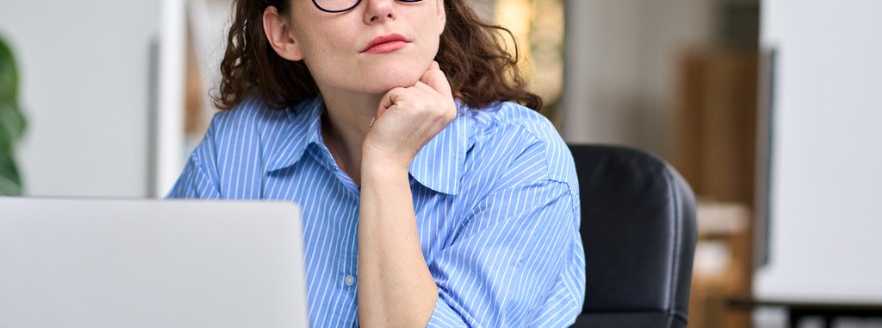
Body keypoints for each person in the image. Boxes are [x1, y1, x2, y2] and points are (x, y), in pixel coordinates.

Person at [168, 0, 584, 326]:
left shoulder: (523, 157)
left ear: (438, 9)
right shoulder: (240, 144)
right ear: (284, 33)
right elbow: (157, 302)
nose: (381, 6)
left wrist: (386, 164)